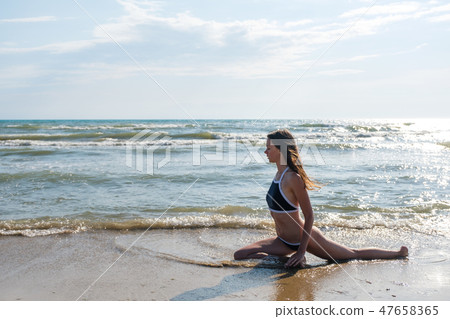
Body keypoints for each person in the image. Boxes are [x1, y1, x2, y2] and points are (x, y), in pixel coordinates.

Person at [234, 129, 408, 268]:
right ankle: (285, 263)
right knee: (240, 255)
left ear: (281, 150)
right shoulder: (278, 174)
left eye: (269, 148)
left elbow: (309, 215)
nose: (265, 151)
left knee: (351, 255)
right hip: (283, 241)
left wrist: (302, 251)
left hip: (304, 239)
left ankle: (397, 254)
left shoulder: (293, 178)